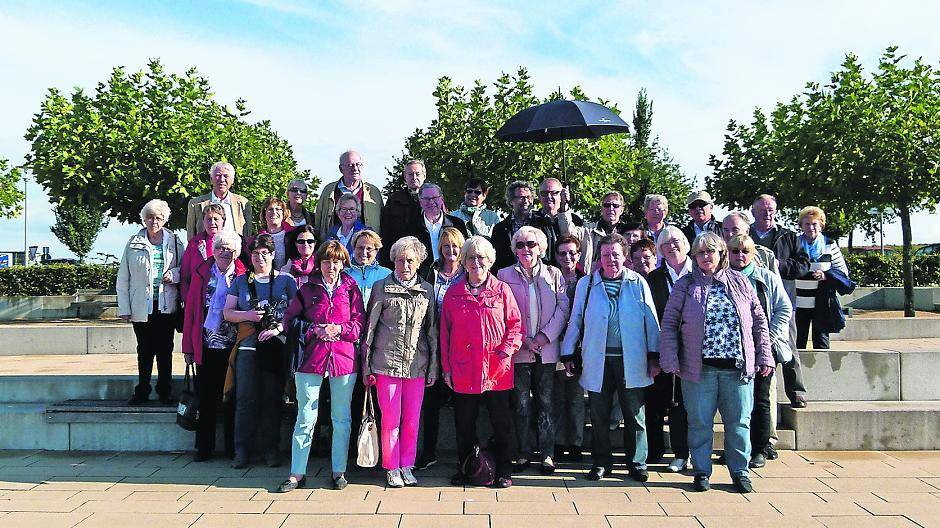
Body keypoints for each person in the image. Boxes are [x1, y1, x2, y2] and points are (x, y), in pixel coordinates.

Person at [658, 233, 774, 494]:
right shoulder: (686, 284)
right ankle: (701, 471)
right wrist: (670, 356)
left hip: (737, 369)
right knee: (699, 423)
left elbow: (759, 322)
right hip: (699, 370)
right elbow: (669, 323)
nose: (705, 257)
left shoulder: (741, 281)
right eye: (700, 253)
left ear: (722, 253)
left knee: (739, 423)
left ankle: (740, 471)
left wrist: (765, 355)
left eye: (710, 251)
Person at [561, 233, 659, 482]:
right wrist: (568, 351)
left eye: (615, 254)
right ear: (599, 258)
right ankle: (601, 462)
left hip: (631, 359)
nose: (611, 259)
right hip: (598, 359)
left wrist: (654, 355)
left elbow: (651, 321)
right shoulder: (586, 284)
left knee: (634, 414)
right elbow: (576, 319)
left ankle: (637, 463)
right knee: (599, 414)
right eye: (606, 255)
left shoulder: (638, 282)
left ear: (625, 256)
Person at [278, 241, 365, 492]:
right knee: (305, 417)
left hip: (343, 359)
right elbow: (290, 320)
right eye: (327, 261)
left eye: (336, 261)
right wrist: (314, 329)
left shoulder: (351, 289)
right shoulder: (307, 289)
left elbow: (359, 323)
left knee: (342, 418)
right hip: (311, 359)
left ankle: (339, 470)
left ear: (343, 263)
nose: (331, 267)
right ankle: (297, 473)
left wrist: (339, 329)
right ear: (320, 263)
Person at [442, 236, 523, 488]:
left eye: (481, 258)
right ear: (464, 261)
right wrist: (446, 368)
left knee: (501, 424)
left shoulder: (502, 290)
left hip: (496, 370)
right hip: (463, 370)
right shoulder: (454, 293)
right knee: (464, 425)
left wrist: (506, 352)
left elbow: (515, 326)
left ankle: (504, 470)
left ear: (490, 261)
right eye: (471, 258)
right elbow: (444, 334)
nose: (476, 262)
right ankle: (466, 468)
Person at [361, 236, 438, 488]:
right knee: (391, 420)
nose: (405, 265)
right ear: (393, 261)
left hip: (417, 365)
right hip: (386, 364)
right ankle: (392, 466)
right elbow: (369, 330)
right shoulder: (381, 287)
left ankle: (407, 464)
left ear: (418, 263)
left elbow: (432, 331)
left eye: (410, 261)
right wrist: (366, 366)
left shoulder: (426, 290)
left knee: (412, 420)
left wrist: (433, 367)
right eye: (401, 260)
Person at [497, 226, 570, 474]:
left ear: (540, 248)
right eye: (520, 245)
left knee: (546, 402)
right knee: (521, 403)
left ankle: (547, 454)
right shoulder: (504, 275)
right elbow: (503, 311)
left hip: (546, 350)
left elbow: (563, 308)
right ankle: (524, 452)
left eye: (531, 244)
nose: (525, 249)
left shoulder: (554, 273)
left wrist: (543, 337)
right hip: (519, 350)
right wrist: (524, 339)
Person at [223, 234, 298, 469]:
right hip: (248, 345)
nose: (260, 258)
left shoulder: (286, 280)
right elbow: (227, 312)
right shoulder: (240, 281)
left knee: (271, 398)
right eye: (255, 254)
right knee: (245, 398)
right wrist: (247, 315)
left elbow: (295, 313)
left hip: (275, 346)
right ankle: (241, 450)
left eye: (265, 253)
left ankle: (271, 449)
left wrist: (278, 328)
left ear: (273, 255)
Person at [727, 234, 792, 469]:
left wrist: (768, 339)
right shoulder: (722, 277)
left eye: (745, 251)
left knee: (761, 399)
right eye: (735, 251)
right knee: (736, 402)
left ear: (753, 254)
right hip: (734, 349)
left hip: (763, 348)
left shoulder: (766, 278)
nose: (740, 256)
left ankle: (760, 448)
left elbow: (784, 308)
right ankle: (737, 448)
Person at [182, 231, 246, 461]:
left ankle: (232, 448)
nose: (224, 252)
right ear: (213, 250)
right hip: (206, 345)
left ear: (236, 252)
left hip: (233, 346)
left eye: (229, 248)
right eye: (220, 247)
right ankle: (204, 448)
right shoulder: (202, 273)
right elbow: (191, 312)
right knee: (206, 398)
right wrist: (188, 347)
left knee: (232, 399)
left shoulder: (242, 275)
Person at [117, 199, 185, 406]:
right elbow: (123, 277)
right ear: (144, 219)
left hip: (166, 305)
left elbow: (185, 269)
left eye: (158, 218)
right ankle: (142, 391)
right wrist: (124, 307)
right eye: (150, 217)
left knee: (165, 351)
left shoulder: (174, 241)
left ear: (165, 219)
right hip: (142, 305)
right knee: (144, 351)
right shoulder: (133, 243)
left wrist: (174, 274)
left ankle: (165, 391)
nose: (154, 221)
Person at [751, 194, 810, 408]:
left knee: (788, 346)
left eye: (771, 210)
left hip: (782, 301)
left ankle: (797, 391)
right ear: (753, 212)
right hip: (752, 302)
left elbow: (803, 265)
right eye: (762, 210)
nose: (767, 214)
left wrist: (779, 264)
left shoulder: (789, 236)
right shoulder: (745, 235)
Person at [415, 227, 466, 470]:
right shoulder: (430, 272)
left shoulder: (468, 273)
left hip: (460, 343)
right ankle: (429, 451)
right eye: (446, 246)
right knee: (431, 400)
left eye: (455, 246)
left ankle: (465, 453)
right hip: (433, 341)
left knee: (462, 400)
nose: (451, 250)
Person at [644, 226, 692, 472]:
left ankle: (683, 453)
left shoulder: (700, 273)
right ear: (660, 250)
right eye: (666, 244)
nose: (672, 246)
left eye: (676, 241)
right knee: (659, 401)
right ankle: (656, 452)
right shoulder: (653, 279)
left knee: (685, 404)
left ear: (686, 244)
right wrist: (653, 355)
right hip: (663, 349)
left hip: (694, 351)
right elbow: (648, 318)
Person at [551, 233, 586, 462]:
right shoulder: (550, 278)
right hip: (554, 343)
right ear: (556, 256)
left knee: (575, 397)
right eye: (562, 253)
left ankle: (575, 443)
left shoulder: (587, 280)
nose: (567, 257)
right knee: (556, 396)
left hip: (579, 346)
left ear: (579, 254)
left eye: (572, 253)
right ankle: (558, 442)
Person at [795, 206, 849, 350]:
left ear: (821, 225)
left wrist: (826, 275)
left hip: (822, 301)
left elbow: (842, 272)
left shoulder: (830, 244)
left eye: (814, 224)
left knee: (821, 342)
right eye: (807, 224)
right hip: (798, 301)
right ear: (801, 225)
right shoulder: (794, 243)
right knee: (797, 341)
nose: (811, 228)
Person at [313, 149, 384, 242]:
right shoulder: (329, 191)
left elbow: (383, 221)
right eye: (351, 165)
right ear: (341, 169)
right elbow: (318, 220)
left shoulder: (373, 192)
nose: (355, 168)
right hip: (335, 245)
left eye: (358, 164)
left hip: (365, 246)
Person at [491, 181, 553, 271]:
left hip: (540, 274)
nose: (526, 201)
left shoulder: (544, 224)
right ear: (511, 201)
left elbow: (551, 253)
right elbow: (496, 260)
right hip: (510, 276)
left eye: (529, 197)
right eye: (521, 197)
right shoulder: (500, 229)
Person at [412, 183, 468, 277]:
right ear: (420, 202)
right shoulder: (411, 226)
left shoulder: (457, 224)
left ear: (441, 199)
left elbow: (465, 251)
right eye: (426, 198)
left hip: (454, 276)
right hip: (421, 278)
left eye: (435, 198)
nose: (431, 202)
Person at [186, 161, 252, 241]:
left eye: (226, 176)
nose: (222, 179)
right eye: (218, 175)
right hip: (206, 248)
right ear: (211, 179)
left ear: (232, 180)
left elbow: (248, 235)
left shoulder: (243, 203)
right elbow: (191, 237)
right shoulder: (195, 204)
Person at [536, 178, 592, 268]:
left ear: (562, 195)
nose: (549, 197)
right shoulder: (532, 220)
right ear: (539, 196)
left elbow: (575, 242)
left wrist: (564, 207)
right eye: (544, 193)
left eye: (554, 193)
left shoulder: (576, 220)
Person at [379, 159, 427, 265]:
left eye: (417, 174)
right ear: (405, 176)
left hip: (426, 259)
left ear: (424, 175)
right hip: (400, 258)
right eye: (410, 174)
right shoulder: (394, 200)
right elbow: (385, 232)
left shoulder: (433, 198)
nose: (414, 177)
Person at [181, 203, 229, 301]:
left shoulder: (232, 243)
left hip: (226, 297)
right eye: (208, 219)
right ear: (203, 221)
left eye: (216, 219)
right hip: (198, 297)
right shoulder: (194, 244)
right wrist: (186, 298)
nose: (212, 222)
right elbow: (185, 274)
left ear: (223, 221)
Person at [247, 197, 293, 270]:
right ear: (264, 213)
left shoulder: (294, 234)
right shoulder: (255, 239)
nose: (274, 212)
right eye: (270, 209)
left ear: (283, 212)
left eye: (278, 209)